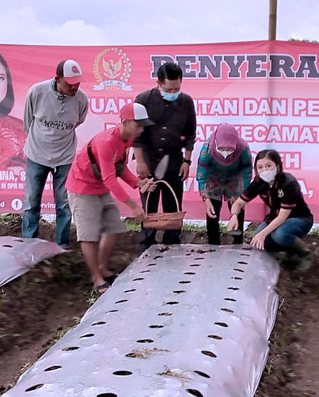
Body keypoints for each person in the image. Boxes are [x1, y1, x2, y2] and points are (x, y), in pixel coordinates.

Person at [66, 102, 152, 292]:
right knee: (89, 236)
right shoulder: (106, 142)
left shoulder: (127, 139)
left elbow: (119, 168)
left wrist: (137, 183)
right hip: (82, 188)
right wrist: (133, 206)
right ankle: (96, 279)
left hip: (99, 187)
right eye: (138, 125)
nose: (141, 129)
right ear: (125, 122)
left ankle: (103, 268)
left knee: (113, 227)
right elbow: (110, 179)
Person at [22, 59, 89, 249]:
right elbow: (28, 122)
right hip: (37, 155)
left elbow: (78, 121)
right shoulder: (37, 92)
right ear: (58, 79)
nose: (74, 87)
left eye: (77, 83)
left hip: (65, 158)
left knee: (64, 204)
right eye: (70, 83)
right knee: (31, 202)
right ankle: (28, 244)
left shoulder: (81, 99)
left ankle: (62, 245)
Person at [133, 62, 196, 248]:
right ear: (158, 83)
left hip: (175, 161)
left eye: (176, 88)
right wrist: (141, 162)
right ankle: (147, 244)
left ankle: (172, 244)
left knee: (173, 206)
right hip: (149, 160)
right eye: (169, 89)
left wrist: (187, 160)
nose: (173, 92)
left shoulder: (186, 101)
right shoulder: (143, 100)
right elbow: (136, 134)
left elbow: (190, 132)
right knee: (149, 205)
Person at [227, 149, 314, 271]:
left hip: (298, 219)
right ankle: (287, 251)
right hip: (274, 218)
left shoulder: (288, 183)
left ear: (277, 166)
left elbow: (282, 217)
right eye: (260, 167)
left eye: (269, 166)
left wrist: (263, 234)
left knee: (279, 235)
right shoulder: (259, 182)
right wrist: (234, 216)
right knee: (259, 243)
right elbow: (239, 203)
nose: (264, 170)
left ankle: (304, 255)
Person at [196, 123, 252, 245]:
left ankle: (237, 242)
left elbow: (247, 171)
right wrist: (206, 199)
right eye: (222, 149)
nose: (226, 152)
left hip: (235, 178)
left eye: (229, 149)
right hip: (213, 179)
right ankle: (213, 243)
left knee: (237, 209)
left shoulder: (243, 148)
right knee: (212, 211)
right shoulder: (207, 149)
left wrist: (241, 194)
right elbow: (201, 175)